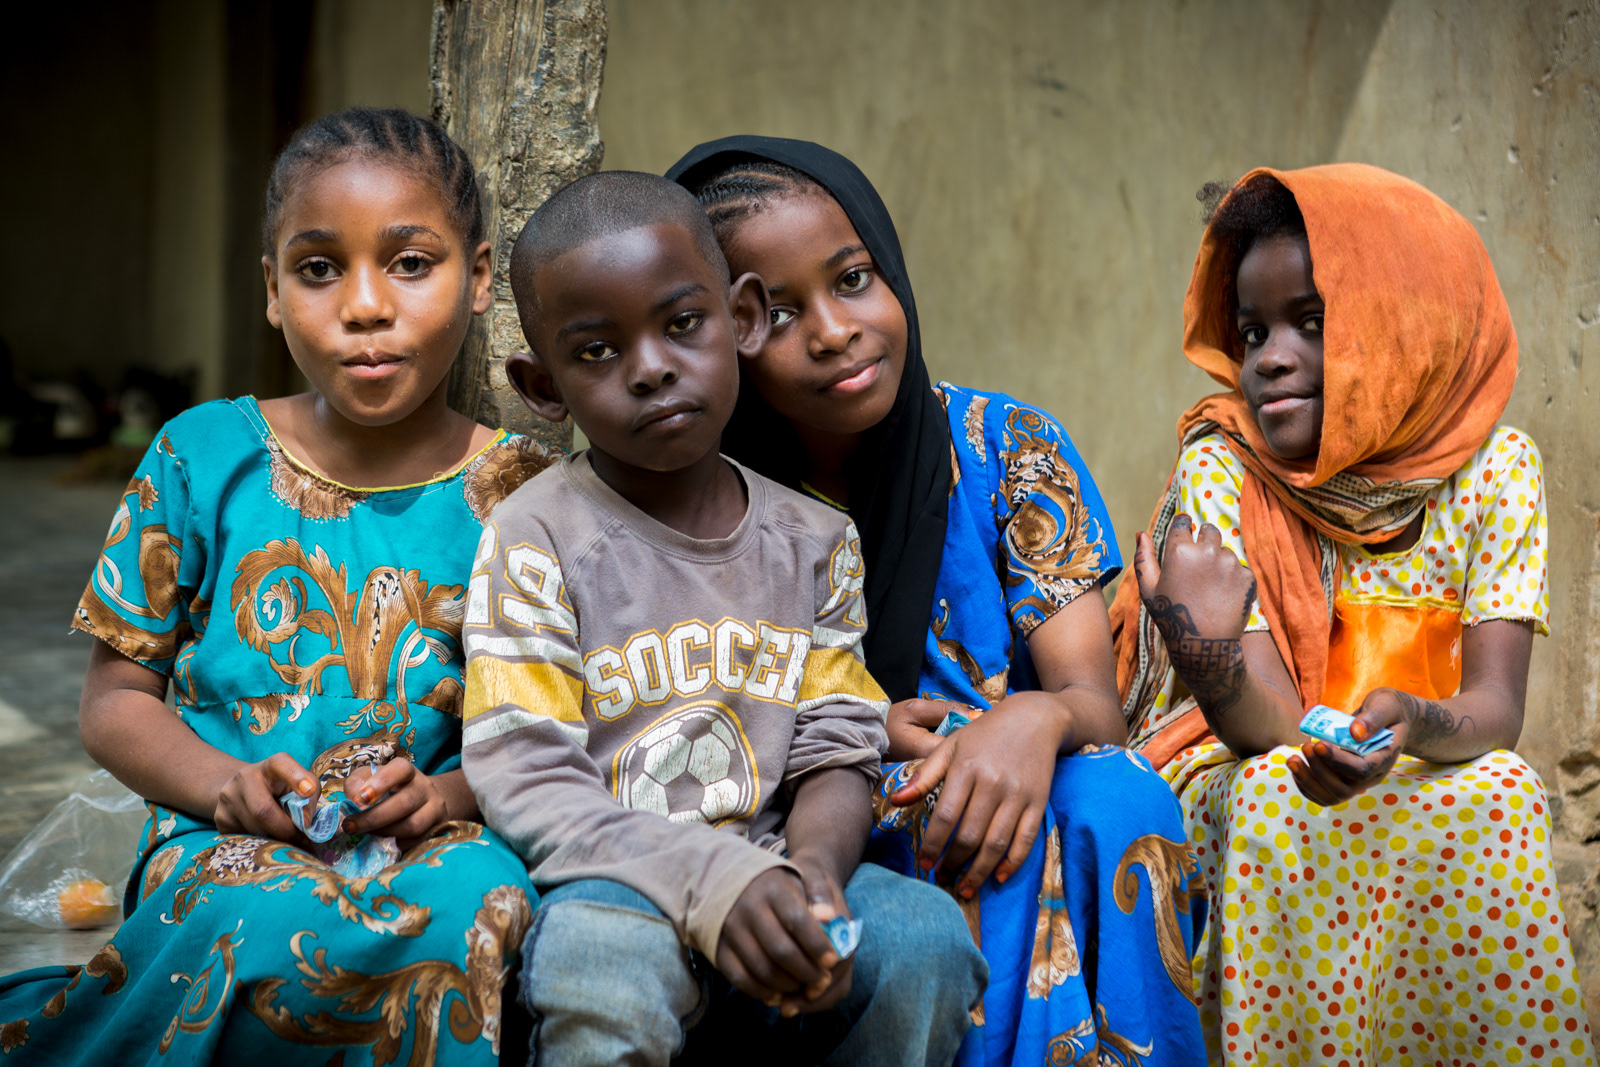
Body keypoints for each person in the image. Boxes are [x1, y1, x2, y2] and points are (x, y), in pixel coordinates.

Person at [0, 107, 558, 1065]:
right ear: (271, 290)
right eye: (318, 268)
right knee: (251, 917)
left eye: (411, 263)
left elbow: (554, 719)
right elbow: (113, 703)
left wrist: (450, 793)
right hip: (220, 839)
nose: (365, 305)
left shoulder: (526, 492)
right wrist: (227, 789)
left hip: (443, 835)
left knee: (478, 908)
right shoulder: (199, 456)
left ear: (478, 279)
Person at [667, 137, 1205, 1067]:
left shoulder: (1008, 449)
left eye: (853, 278)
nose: (833, 330)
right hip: (806, 810)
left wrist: (1029, 721)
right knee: (934, 823)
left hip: (1014, 771)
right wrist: (863, 732)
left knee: (1115, 797)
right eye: (782, 311)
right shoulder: (699, 501)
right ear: (722, 330)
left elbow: (1094, 704)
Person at [462, 169, 986, 1067]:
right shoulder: (535, 535)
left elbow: (837, 746)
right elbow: (530, 781)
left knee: (921, 935)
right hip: (615, 882)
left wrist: (814, 878)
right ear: (542, 386)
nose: (652, 366)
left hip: (778, 864)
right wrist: (716, 880)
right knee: (598, 961)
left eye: (681, 324)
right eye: (596, 352)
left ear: (741, 321)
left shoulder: (816, 540)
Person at [1112, 163, 1597, 1065]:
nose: (1270, 358)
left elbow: (1496, 710)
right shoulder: (1226, 468)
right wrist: (1207, 657)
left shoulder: (1498, 472)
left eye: (1313, 322)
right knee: (1270, 799)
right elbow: (1263, 728)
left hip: (1417, 751)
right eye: (1252, 331)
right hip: (1257, 753)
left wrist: (1412, 718)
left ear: (1410, 328)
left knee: (1503, 788)